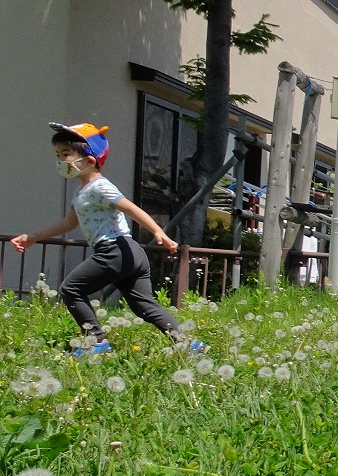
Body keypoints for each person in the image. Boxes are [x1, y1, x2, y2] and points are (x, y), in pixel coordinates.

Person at [9, 122, 205, 355]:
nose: (60, 160)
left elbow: (131, 208)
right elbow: (68, 223)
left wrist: (158, 231)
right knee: (143, 306)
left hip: (114, 250)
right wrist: (33, 236)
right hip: (130, 253)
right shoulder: (80, 191)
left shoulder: (100, 187)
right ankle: (188, 344)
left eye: (66, 154)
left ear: (89, 160)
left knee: (71, 289)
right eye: (57, 155)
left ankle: (96, 342)